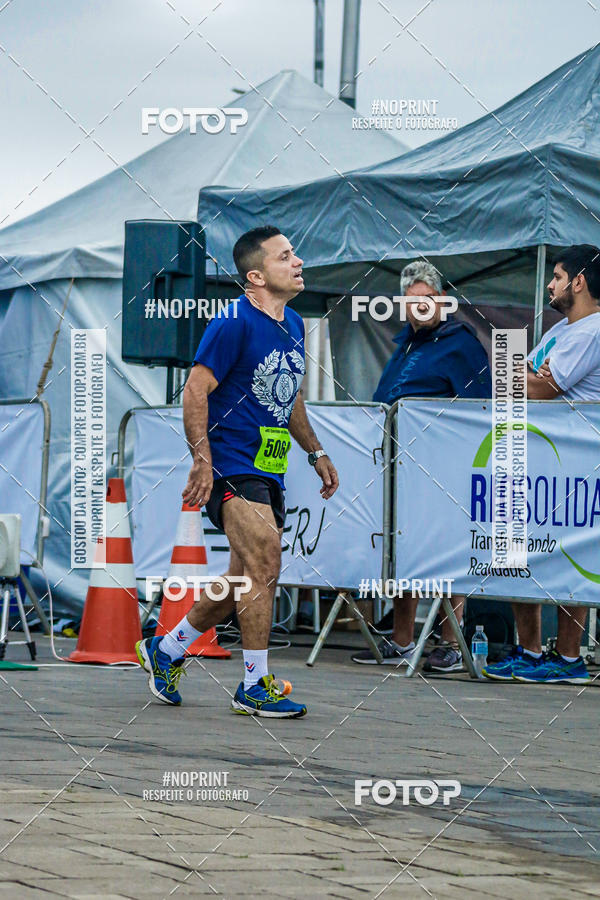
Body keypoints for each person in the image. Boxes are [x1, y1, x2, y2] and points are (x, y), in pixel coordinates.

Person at [136, 226, 339, 716]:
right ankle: (254, 684)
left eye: (295, 252)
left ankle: (167, 649)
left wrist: (315, 452)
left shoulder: (293, 324)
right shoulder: (232, 322)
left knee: (241, 579)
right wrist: (202, 460)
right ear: (256, 275)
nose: (298, 261)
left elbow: (288, 399)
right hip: (231, 464)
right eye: (285, 256)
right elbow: (194, 391)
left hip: (269, 468)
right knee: (266, 563)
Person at [352, 260, 492, 672]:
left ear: (443, 301)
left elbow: (478, 409)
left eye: (427, 300)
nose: (419, 307)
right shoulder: (405, 344)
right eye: (411, 301)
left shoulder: (461, 341)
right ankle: (401, 640)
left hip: (444, 464)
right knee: (403, 546)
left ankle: (451, 642)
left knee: (447, 546)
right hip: (400, 464)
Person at [484, 244, 600, 685]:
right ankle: (530, 651)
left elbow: (536, 388)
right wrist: (525, 374)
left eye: (555, 276)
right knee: (518, 548)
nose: (549, 285)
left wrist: (521, 372)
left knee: (572, 554)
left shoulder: (592, 330)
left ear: (579, 281)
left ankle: (569, 658)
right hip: (533, 457)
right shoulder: (559, 331)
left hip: (575, 463)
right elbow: (522, 379)